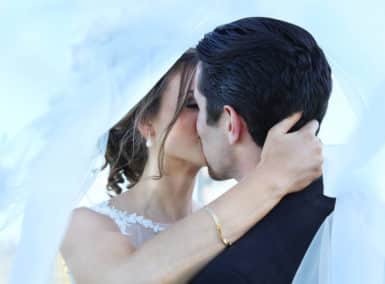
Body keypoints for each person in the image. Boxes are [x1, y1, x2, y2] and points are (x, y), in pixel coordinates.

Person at [61, 47, 324, 283]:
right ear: (146, 123)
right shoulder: (83, 224)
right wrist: (270, 178)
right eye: (192, 105)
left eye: (214, 102)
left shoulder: (240, 215)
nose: (211, 116)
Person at [190, 17, 335, 283]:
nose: (195, 126)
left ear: (230, 122)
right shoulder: (356, 213)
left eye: (196, 106)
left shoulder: (228, 273)